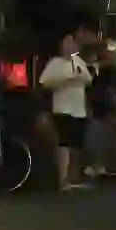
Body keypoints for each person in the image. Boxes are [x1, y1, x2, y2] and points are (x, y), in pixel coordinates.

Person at [38, 23, 97, 190]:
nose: (71, 47)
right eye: (68, 44)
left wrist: (78, 75)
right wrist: (67, 77)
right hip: (63, 109)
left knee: (77, 144)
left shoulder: (78, 61)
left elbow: (87, 78)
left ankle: (74, 176)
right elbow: (45, 81)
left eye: (73, 44)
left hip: (79, 110)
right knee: (64, 144)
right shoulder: (55, 63)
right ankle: (62, 178)